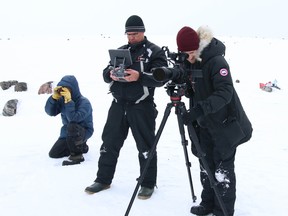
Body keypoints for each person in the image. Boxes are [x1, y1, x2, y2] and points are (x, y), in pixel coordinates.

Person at [85, 15, 168, 199]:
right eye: (128, 34)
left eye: (135, 34)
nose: (131, 37)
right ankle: (103, 179)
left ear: (143, 31)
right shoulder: (121, 51)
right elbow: (105, 73)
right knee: (109, 143)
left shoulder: (154, 52)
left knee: (146, 147)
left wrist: (139, 76)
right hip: (117, 105)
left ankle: (147, 183)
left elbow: (160, 78)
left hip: (142, 106)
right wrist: (111, 74)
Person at [176, 26, 253, 215]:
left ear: (198, 47)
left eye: (191, 53)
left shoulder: (216, 61)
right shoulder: (189, 62)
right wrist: (185, 90)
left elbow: (224, 92)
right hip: (204, 124)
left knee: (222, 170)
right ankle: (207, 203)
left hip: (225, 124)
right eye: (184, 54)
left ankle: (223, 211)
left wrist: (199, 109)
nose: (189, 57)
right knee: (206, 164)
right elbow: (194, 87)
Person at [45, 75, 94, 166]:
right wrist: (54, 98)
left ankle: (77, 156)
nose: (64, 91)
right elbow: (50, 112)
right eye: (62, 89)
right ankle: (81, 147)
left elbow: (74, 119)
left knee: (72, 126)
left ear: (73, 89)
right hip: (68, 132)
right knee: (54, 154)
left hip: (83, 130)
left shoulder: (84, 102)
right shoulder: (62, 100)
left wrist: (69, 101)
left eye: (67, 89)